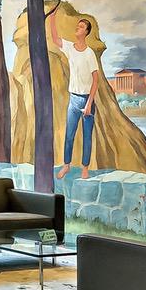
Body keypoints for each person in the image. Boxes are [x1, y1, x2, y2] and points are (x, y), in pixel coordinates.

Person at [53, 15, 103, 177]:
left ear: (87, 32)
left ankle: (85, 167)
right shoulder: (69, 47)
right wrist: (53, 18)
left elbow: (96, 80)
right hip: (73, 99)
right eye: (78, 26)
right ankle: (66, 165)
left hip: (87, 100)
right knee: (69, 134)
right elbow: (55, 38)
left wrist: (89, 103)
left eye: (81, 27)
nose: (78, 28)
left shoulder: (89, 54)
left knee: (87, 136)